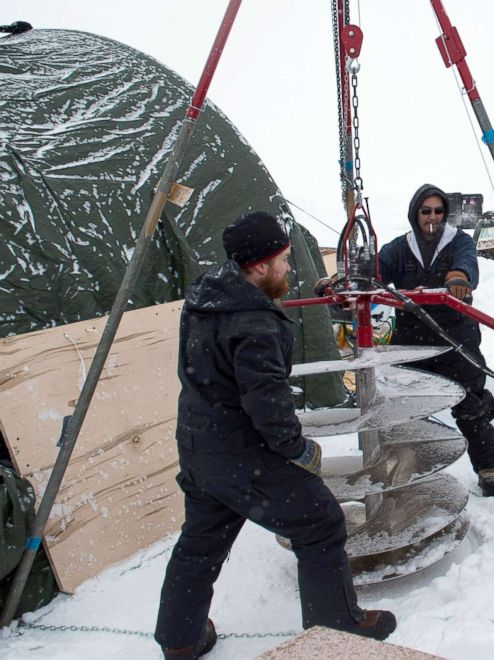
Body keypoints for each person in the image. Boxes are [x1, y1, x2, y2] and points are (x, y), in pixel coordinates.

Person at [154, 211, 396, 658]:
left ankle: (180, 638)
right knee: (321, 522)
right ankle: (336, 629)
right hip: (244, 455)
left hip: (198, 445)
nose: (289, 268)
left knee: (200, 542)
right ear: (260, 266)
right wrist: (300, 450)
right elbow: (268, 407)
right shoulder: (255, 323)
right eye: (283, 259)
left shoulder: (206, 295)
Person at [378, 184, 494, 497]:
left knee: (470, 403)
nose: (432, 217)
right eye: (426, 211)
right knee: (404, 405)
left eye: (437, 211)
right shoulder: (399, 247)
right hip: (411, 336)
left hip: (455, 336)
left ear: (445, 214)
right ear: (415, 215)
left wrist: (458, 277)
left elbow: (466, 263)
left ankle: (488, 466)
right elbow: (375, 272)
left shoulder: (458, 242)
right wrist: (351, 279)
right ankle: (405, 466)